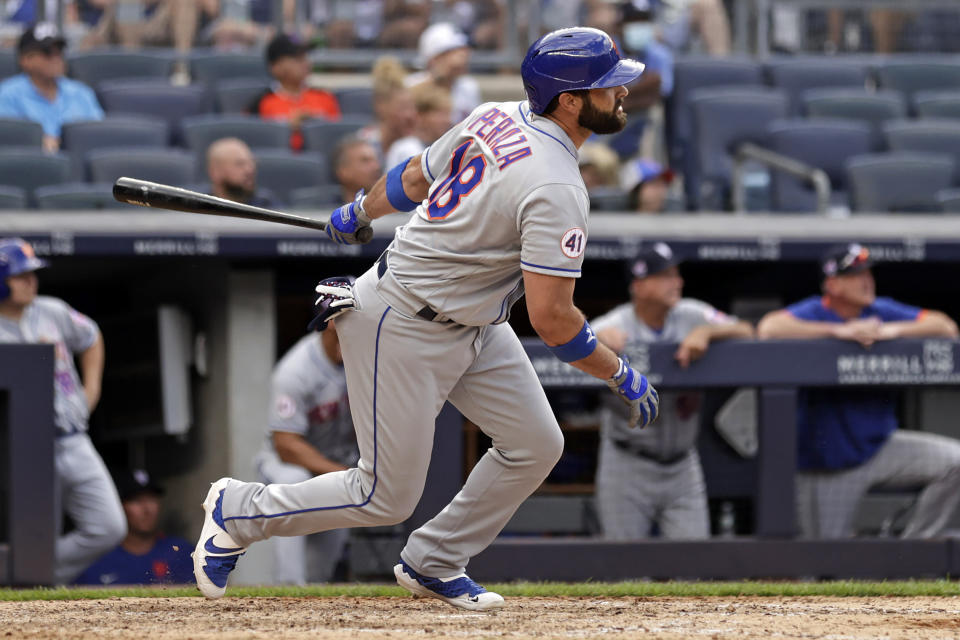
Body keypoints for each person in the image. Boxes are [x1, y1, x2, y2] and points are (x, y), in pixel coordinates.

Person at [191, 27, 660, 611]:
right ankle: (239, 509)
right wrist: (617, 372)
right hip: (404, 320)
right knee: (381, 497)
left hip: (474, 322)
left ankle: (434, 560)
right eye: (607, 86)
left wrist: (360, 207)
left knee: (535, 443)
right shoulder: (558, 185)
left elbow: (415, 179)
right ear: (569, 101)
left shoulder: (498, 115)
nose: (622, 94)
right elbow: (554, 320)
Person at [757, 243, 960, 539]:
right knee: (824, 565)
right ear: (832, 285)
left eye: (868, 273)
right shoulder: (815, 311)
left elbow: (945, 326)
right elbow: (769, 328)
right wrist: (839, 333)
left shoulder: (880, 311)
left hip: (879, 447)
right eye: (855, 275)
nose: (867, 281)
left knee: (954, 464)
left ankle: (911, 554)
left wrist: (893, 331)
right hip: (827, 464)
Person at [592, 243, 752, 540]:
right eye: (664, 275)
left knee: (694, 568)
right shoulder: (615, 324)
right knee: (623, 573)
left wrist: (707, 332)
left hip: (682, 465)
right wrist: (597, 340)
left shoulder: (692, 313)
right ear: (639, 286)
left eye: (676, 274)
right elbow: (576, 342)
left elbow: (746, 330)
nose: (676, 282)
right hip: (627, 462)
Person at [0, 238, 125, 584]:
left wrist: (92, 389)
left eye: (32, 274)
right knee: (37, 531)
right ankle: (31, 584)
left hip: (73, 438)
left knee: (109, 526)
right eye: (20, 275)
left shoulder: (52, 310)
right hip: (25, 449)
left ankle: (35, 577)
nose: (31, 281)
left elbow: (91, 335)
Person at [253, 323, 359, 585]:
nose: (350, 336)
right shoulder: (295, 371)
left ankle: (312, 593)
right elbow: (286, 445)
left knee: (322, 563)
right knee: (293, 482)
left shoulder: (368, 358)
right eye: (342, 329)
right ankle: (289, 585)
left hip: (337, 462)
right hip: (286, 463)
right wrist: (342, 473)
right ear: (328, 325)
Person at [74, 468, 193, 585]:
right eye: (136, 501)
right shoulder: (96, 558)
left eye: (152, 500)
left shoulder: (182, 552)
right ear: (118, 506)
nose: (147, 509)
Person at [0, 22, 103, 152]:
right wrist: (38, 142)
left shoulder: (82, 93)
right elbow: (9, 141)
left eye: (59, 52)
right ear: (25, 59)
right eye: (47, 52)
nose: (56, 58)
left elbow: (99, 137)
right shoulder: (7, 94)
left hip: (78, 164)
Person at [253, 32, 341, 152]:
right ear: (276, 66)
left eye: (306, 57)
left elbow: (337, 139)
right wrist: (288, 126)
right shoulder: (261, 104)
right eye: (298, 59)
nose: (306, 63)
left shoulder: (325, 97)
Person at [405, 22, 481, 124]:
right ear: (434, 58)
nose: (463, 56)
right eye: (453, 51)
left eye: (463, 50)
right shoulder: (410, 85)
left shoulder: (468, 87)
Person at [357, 56, 416, 165]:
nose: (410, 115)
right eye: (402, 108)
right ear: (381, 107)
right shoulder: (365, 144)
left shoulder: (416, 147)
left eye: (412, 107)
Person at [383, 81, 453, 170]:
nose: (447, 120)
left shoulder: (449, 150)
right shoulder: (404, 148)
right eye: (440, 114)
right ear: (422, 115)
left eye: (448, 114)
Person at [206, 137, 276, 208]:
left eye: (251, 162)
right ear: (216, 172)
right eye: (240, 164)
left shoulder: (266, 205)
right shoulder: (200, 207)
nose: (249, 170)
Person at [333, 137, 382, 205]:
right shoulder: (321, 210)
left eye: (375, 160)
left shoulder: (391, 207)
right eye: (365, 161)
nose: (376, 167)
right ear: (344, 171)